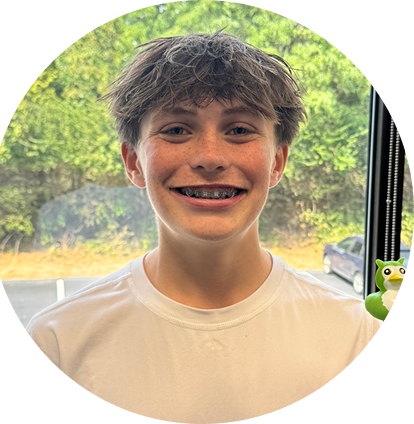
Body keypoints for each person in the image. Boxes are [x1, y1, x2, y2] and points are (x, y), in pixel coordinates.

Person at [26, 31, 381, 422]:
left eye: (239, 130)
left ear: (277, 162)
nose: (210, 158)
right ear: (133, 162)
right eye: (176, 130)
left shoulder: (355, 336)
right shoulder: (58, 342)